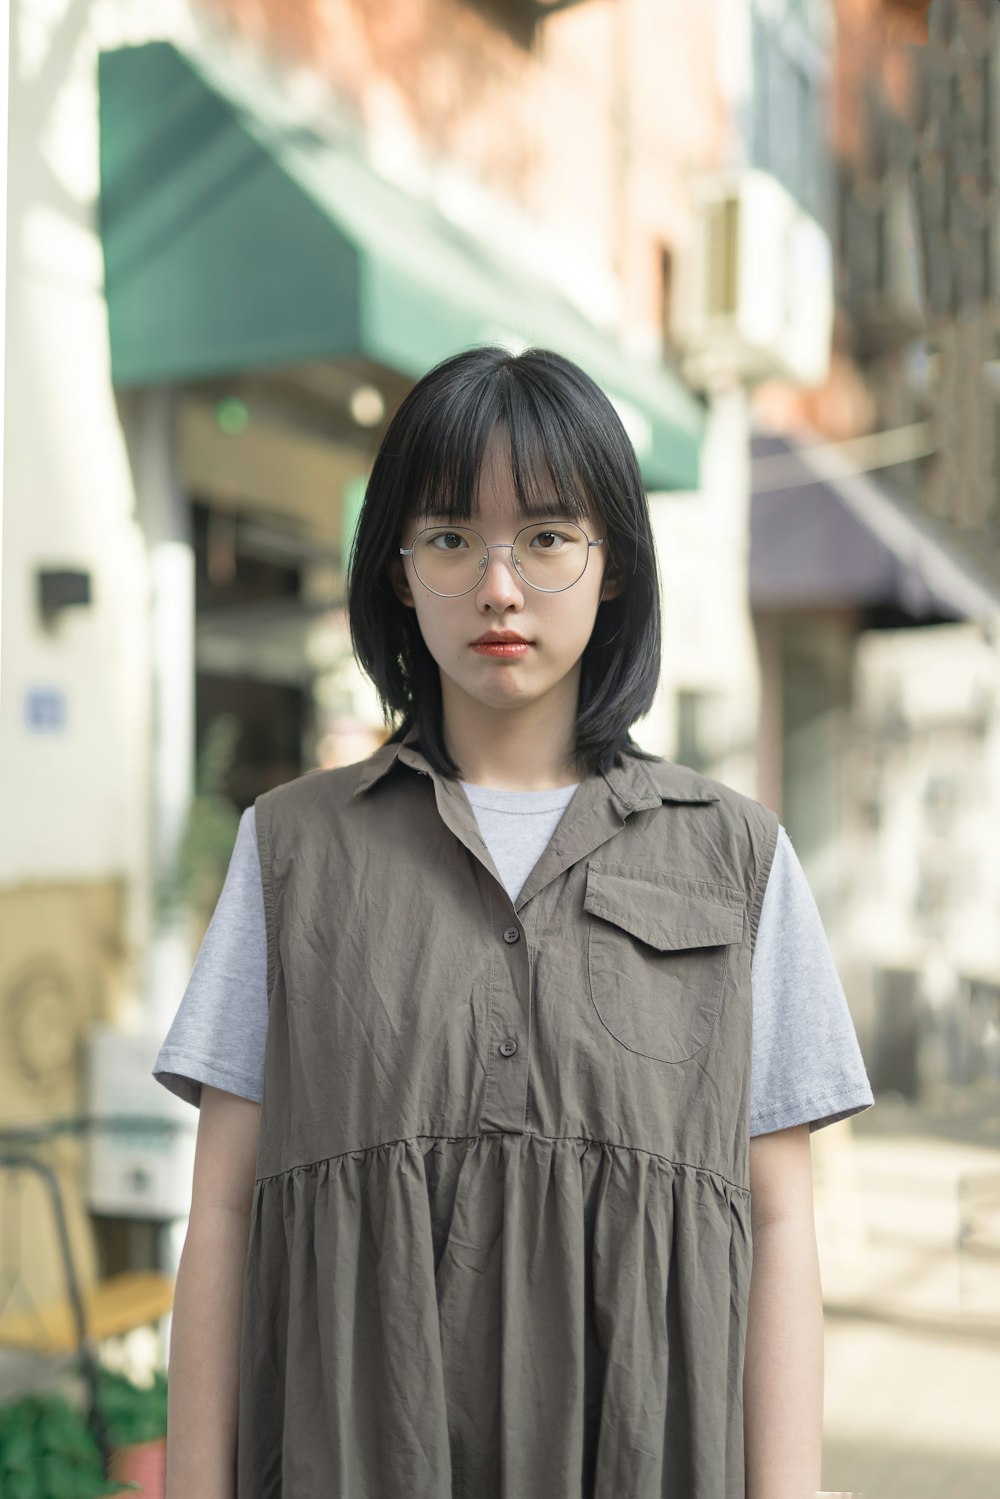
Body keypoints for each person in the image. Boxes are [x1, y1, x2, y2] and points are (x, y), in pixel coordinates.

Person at [154, 345, 874, 1499]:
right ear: (396, 570)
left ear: (613, 567)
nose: (497, 585)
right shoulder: (288, 849)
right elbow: (225, 1208)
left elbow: (781, 1221)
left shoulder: (737, 857)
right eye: (449, 538)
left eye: (544, 538)